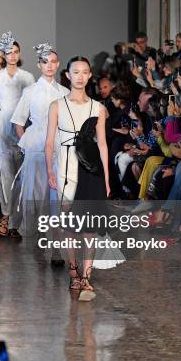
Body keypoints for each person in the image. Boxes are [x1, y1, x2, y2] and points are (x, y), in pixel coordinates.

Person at [45, 56, 114, 302]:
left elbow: (103, 145)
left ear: (90, 76)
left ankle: (86, 277)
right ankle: (73, 271)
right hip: (64, 166)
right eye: (76, 72)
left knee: (90, 228)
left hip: (89, 168)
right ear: (68, 75)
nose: (80, 76)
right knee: (68, 227)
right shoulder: (57, 105)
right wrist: (50, 171)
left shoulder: (98, 108)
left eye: (85, 72)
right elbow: (49, 142)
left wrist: (106, 178)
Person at [11, 43, 68, 264]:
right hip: (35, 145)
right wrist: (26, 142)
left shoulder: (64, 92)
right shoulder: (30, 91)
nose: (49, 65)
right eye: (45, 62)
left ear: (58, 64)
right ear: (39, 65)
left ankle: (54, 247)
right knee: (35, 193)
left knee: (55, 194)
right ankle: (34, 236)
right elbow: (18, 120)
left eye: (53, 61)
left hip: (58, 146)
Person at [0, 32, 34, 238]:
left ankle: (16, 223)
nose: (12, 56)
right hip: (3, 129)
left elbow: (33, 106)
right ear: (3, 55)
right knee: (7, 176)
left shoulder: (28, 77)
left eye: (15, 52)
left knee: (21, 178)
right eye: (9, 52)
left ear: (19, 54)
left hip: (23, 129)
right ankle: (4, 215)